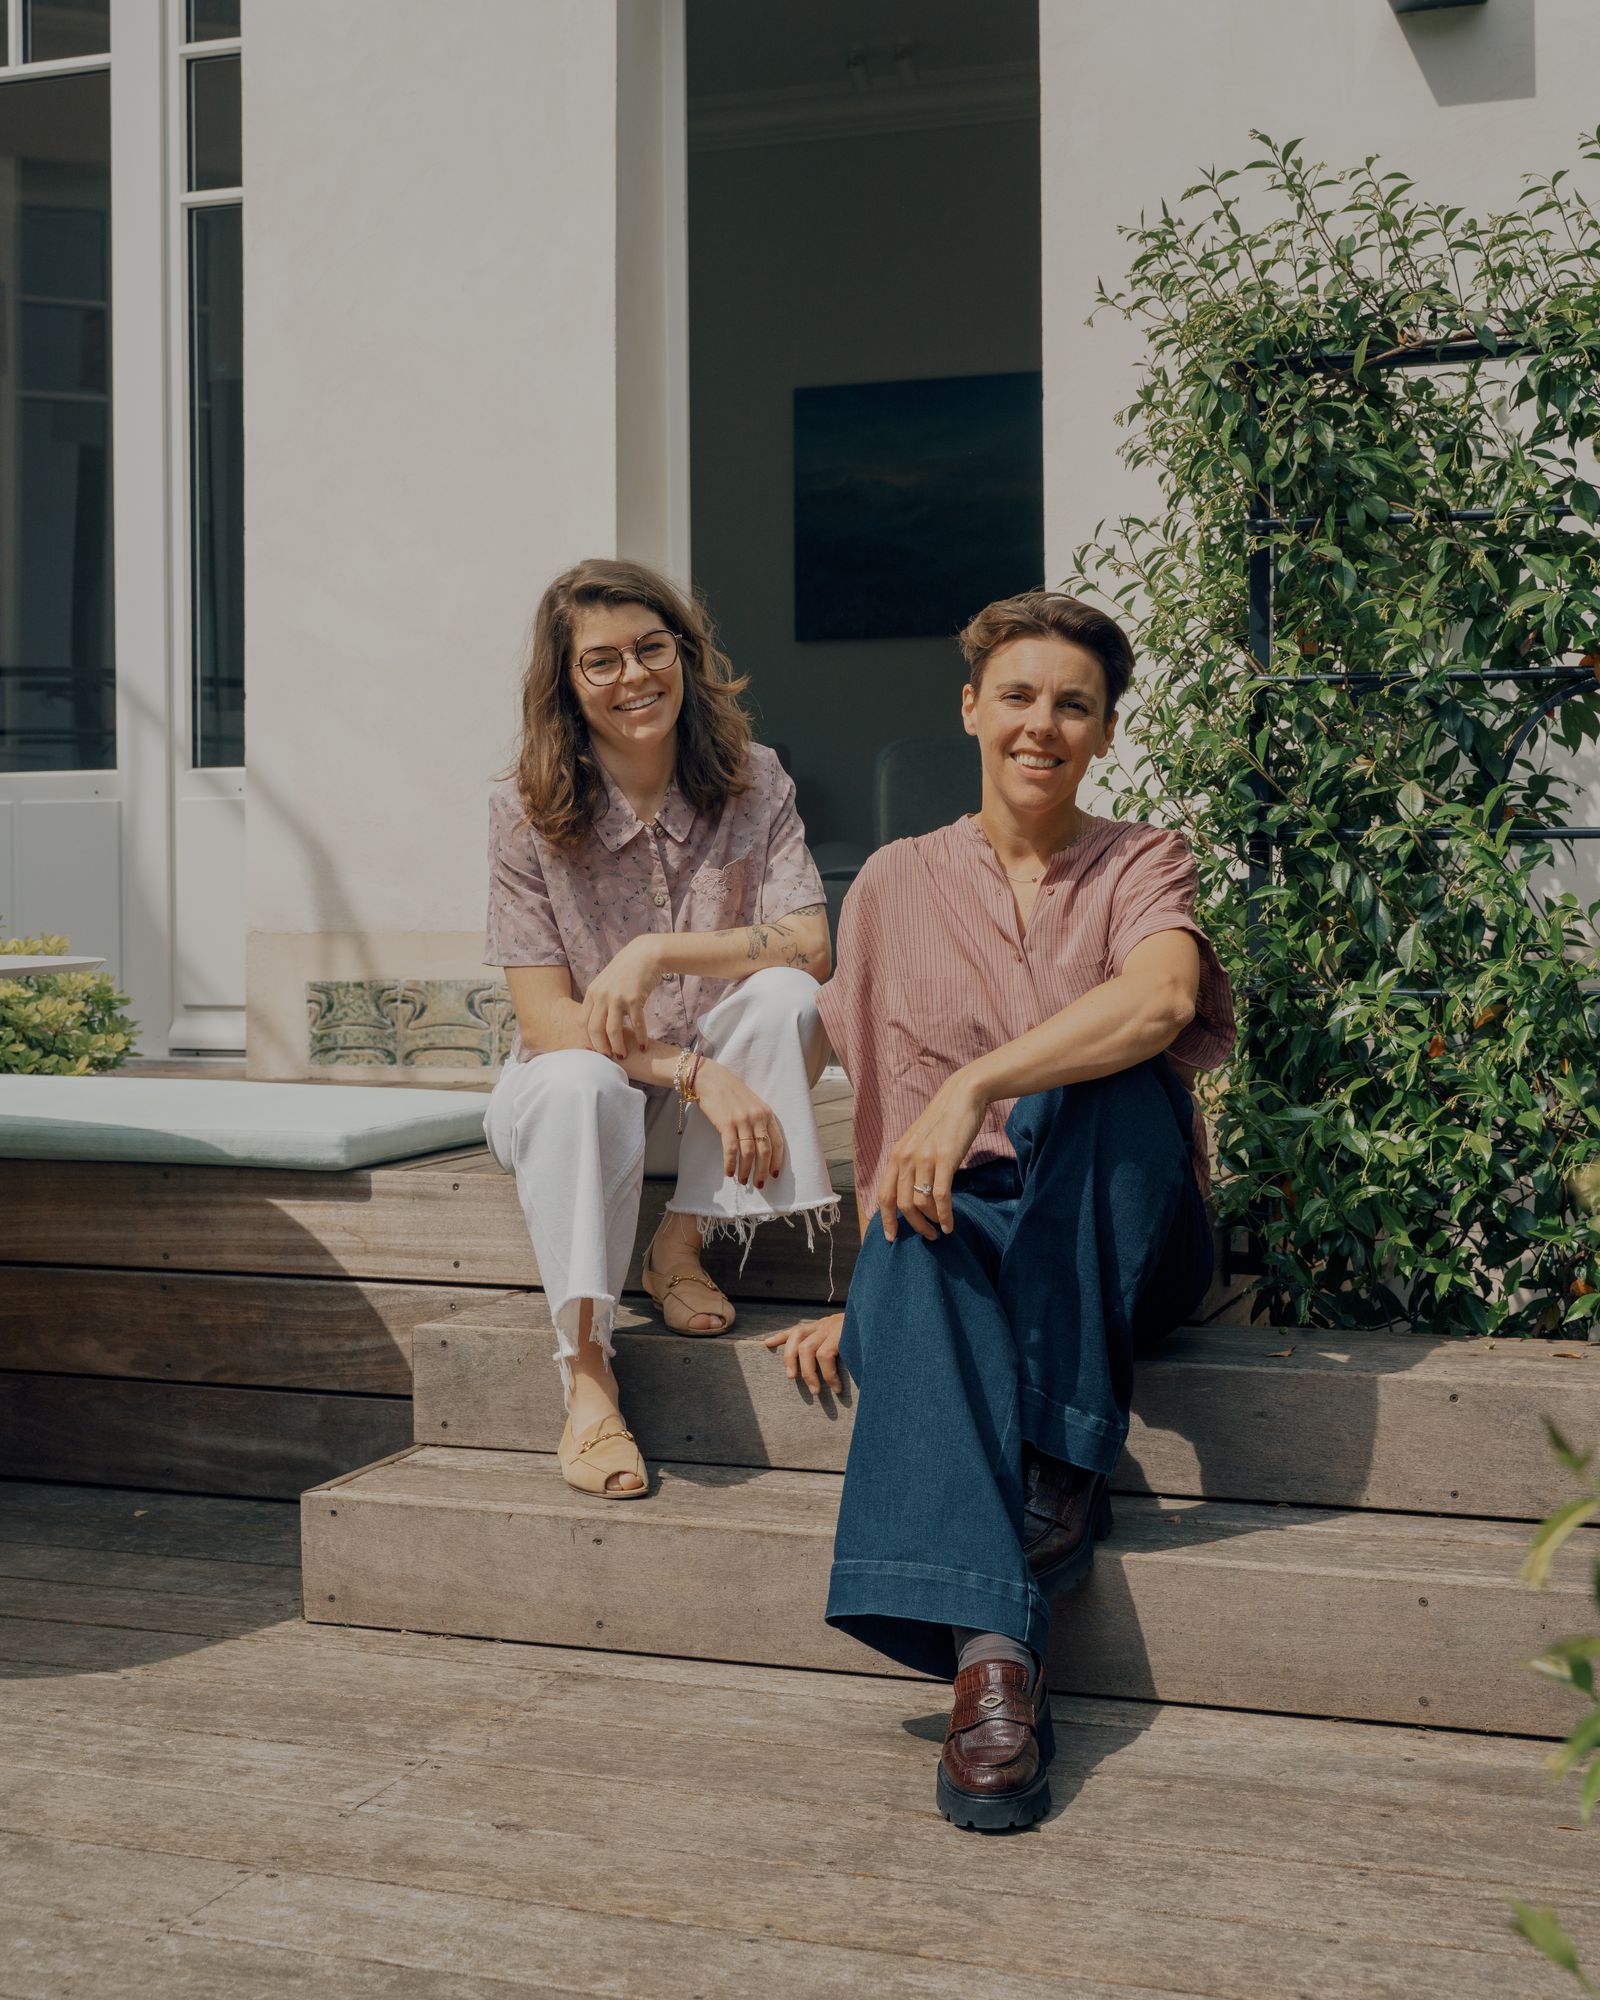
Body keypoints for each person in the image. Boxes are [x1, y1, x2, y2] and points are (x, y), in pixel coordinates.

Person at [767, 590, 1234, 1831]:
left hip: (1133, 1239)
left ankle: (1067, 1443)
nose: (1043, 723)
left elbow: (1159, 999)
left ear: (1104, 731)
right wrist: (865, 1299)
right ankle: (993, 1665)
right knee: (917, 1245)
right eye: (1018, 696)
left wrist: (980, 1076)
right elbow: (871, 1113)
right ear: (969, 707)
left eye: (1072, 704)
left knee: (1105, 1072)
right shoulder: (891, 885)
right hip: (972, 1242)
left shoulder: (1143, 857)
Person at [485, 557, 835, 1501]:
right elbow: (547, 1020)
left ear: (685, 652)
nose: (634, 676)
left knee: (788, 1000)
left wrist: (660, 950)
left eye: (652, 648)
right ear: (566, 682)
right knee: (579, 1080)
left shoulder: (755, 781)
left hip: (700, 1082)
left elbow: (810, 945)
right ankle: (588, 1369)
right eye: (601, 662)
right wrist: (691, 1073)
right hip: (575, 1087)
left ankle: (680, 1241)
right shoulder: (524, 811)